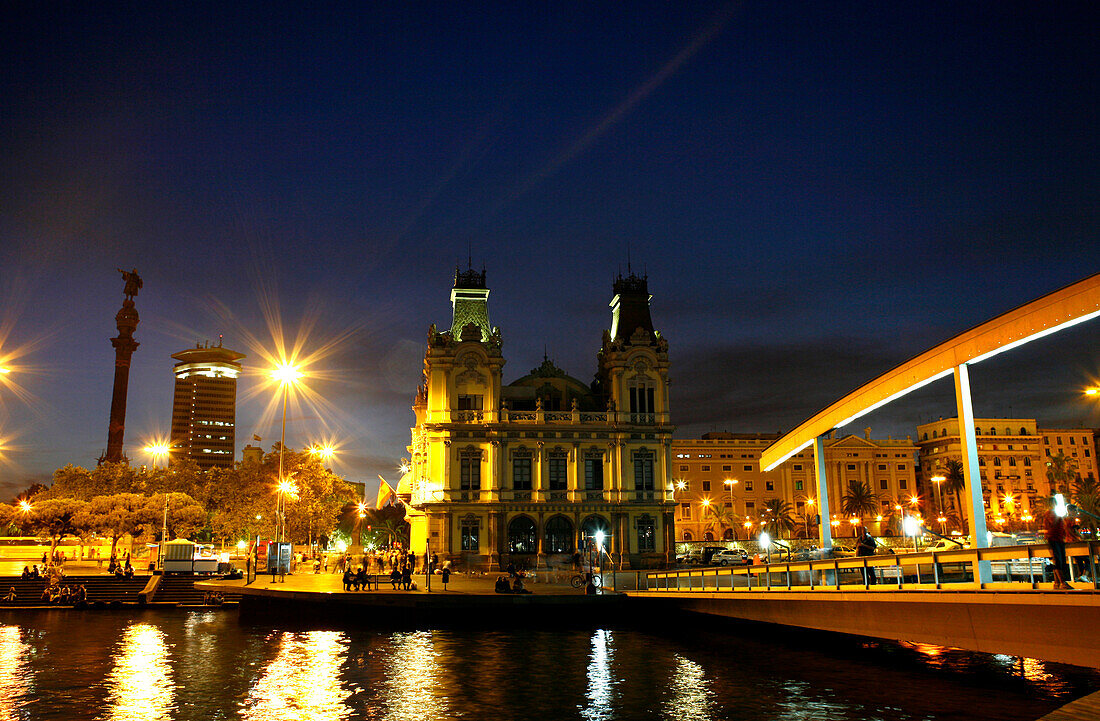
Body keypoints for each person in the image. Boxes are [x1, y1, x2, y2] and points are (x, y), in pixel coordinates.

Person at [1044, 504, 1076, 590]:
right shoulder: (1051, 514)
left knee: (1059, 560)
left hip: (1058, 539)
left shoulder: (1055, 515)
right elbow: (1053, 524)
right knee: (1058, 560)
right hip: (1054, 539)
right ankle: (1062, 582)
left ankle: (1057, 583)